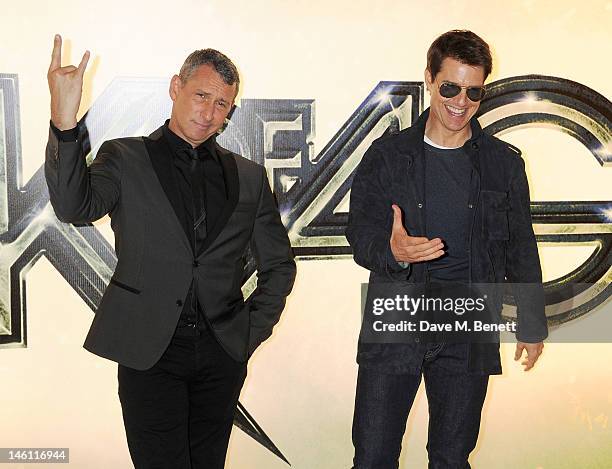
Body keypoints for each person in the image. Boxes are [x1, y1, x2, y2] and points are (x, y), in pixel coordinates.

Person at [45, 34, 296, 469]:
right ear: (175, 87)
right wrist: (64, 122)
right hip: (149, 352)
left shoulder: (250, 177)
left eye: (222, 104)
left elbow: (279, 266)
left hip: (221, 354)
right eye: (201, 95)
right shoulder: (124, 156)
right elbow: (74, 207)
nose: (210, 112)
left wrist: (247, 334)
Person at [346, 30, 548, 468]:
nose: (461, 102)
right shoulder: (387, 155)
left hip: (469, 325)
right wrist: (392, 251)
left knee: (452, 458)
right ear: (429, 80)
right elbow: (358, 231)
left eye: (473, 92)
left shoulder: (504, 163)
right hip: (396, 319)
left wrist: (532, 323)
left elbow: (521, 247)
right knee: (373, 455)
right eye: (450, 87)